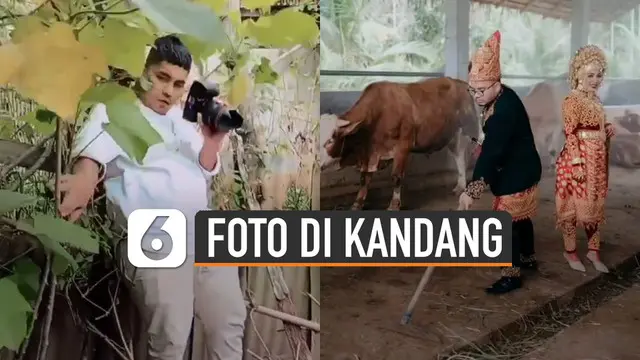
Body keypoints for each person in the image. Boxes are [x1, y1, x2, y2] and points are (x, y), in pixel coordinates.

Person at [58, 35, 246, 360]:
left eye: (178, 83)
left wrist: (212, 142)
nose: (168, 91)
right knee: (172, 335)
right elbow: (91, 156)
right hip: (154, 231)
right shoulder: (115, 109)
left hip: (201, 230)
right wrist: (83, 182)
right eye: (161, 78)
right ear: (144, 72)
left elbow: (203, 169)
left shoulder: (182, 121)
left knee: (229, 321)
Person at [458, 30, 543, 295]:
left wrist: (472, 190)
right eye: (473, 90)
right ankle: (528, 257)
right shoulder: (503, 96)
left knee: (505, 220)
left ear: (497, 82)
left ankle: (512, 275)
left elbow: (492, 153)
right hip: (524, 164)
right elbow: (494, 144)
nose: (477, 96)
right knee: (521, 217)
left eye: (482, 90)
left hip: (517, 170)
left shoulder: (503, 110)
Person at [555, 45, 614, 274]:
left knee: (594, 207)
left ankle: (593, 251)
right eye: (590, 75)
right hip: (576, 162)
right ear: (578, 74)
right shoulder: (572, 100)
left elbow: (595, 124)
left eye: (599, 75)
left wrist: (607, 128)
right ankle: (570, 252)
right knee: (571, 208)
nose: (595, 80)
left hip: (597, 161)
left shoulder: (595, 100)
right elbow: (570, 133)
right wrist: (577, 163)